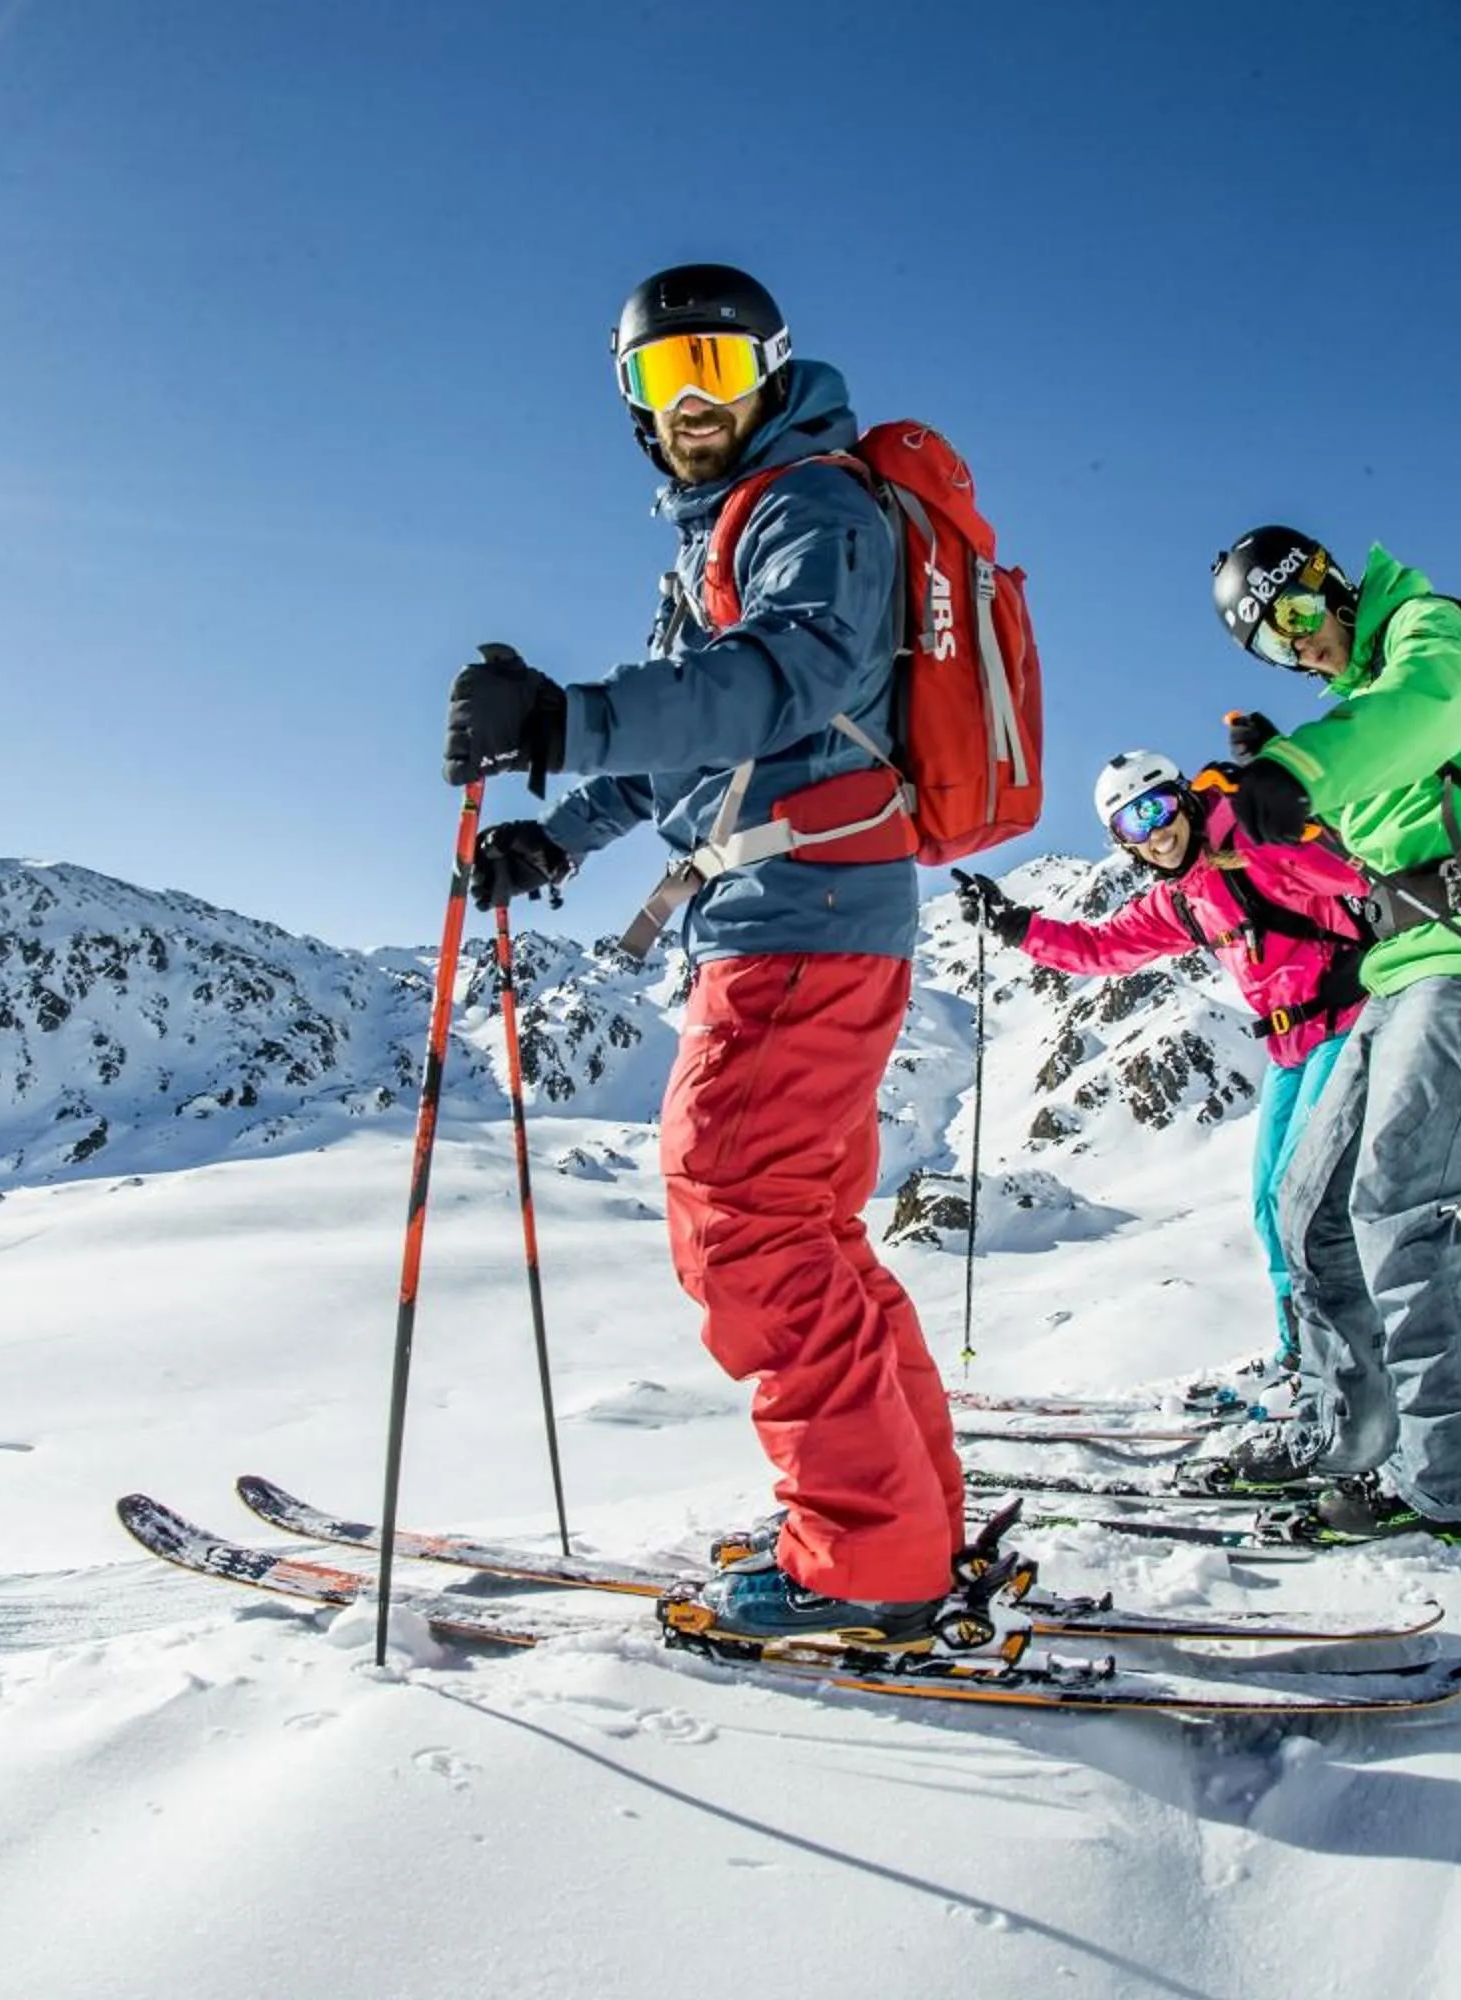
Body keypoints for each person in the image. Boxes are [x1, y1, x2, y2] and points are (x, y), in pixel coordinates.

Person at [437, 263, 965, 1646]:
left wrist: (561, 719)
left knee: (742, 1219)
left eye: (716, 371)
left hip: (807, 919)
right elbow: (697, 733)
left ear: (772, 371)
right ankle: (904, 1514)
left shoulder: (813, 504)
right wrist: (557, 834)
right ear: (630, 402)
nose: (690, 404)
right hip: (797, 909)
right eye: (662, 380)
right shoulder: (731, 526)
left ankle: (869, 1557)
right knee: (806, 1226)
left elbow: (777, 680)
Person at [1196, 525, 1461, 1542]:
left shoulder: (1429, 634)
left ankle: (1454, 1490)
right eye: (1272, 643)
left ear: (1327, 582)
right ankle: (1352, 1439)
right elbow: (1365, 836)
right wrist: (1291, 794)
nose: (1298, 644)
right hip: (1404, 967)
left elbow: (1424, 713)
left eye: (1300, 616)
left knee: (1400, 1207)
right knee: (1309, 1207)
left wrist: (1298, 768)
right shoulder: (1362, 699)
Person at [951, 745, 1369, 1394]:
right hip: (1289, 1053)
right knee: (1269, 1206)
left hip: (1346, 1025)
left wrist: (1306, 826)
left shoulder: (1253, 841)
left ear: (1183, 797)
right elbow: (1103, 948)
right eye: (1131, 826)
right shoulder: (1185, 897)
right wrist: (1012, 924)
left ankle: (1336, 1369)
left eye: (1157, 808)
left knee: (1303, 1204)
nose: (1153, 832)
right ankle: (1302, 1355)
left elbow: (1353, 873)